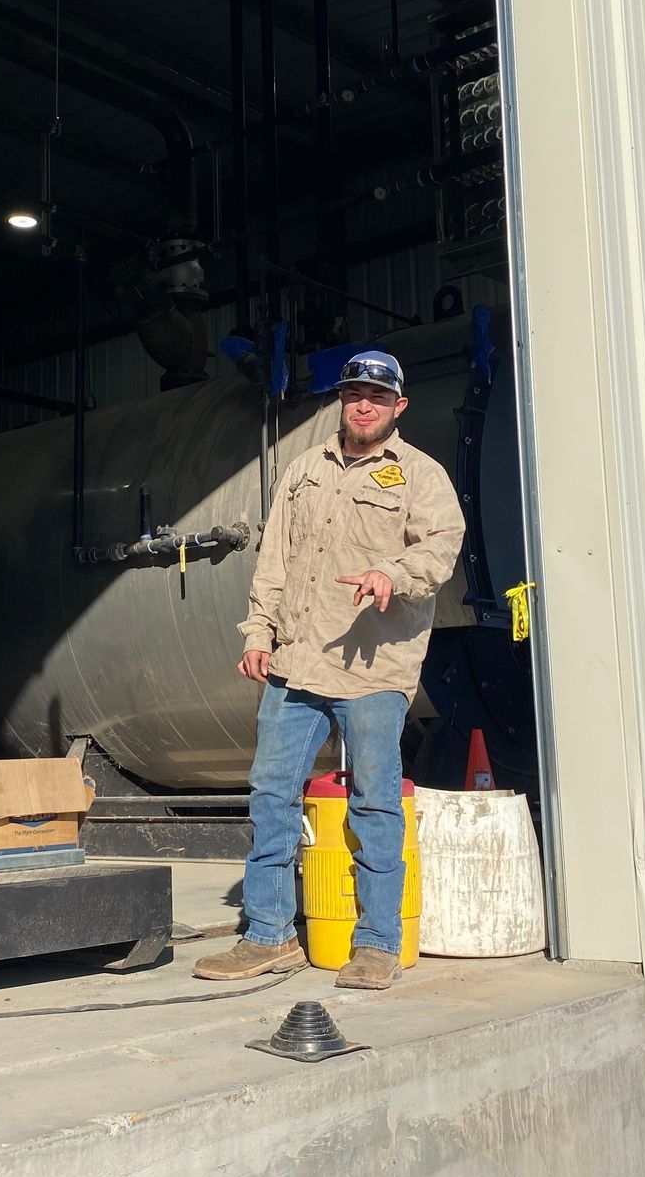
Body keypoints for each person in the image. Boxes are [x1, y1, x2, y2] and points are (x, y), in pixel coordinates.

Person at [193, 350, 466, 990]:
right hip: (296, 662)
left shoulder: (420, 477)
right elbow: (274, 559)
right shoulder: (303, 471)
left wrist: (390, 576)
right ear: (342, 401)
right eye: (353, 394)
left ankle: (375, 943)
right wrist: (259, 631)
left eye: (377, 395)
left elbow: (440, 550)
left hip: (373, 668)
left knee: (374, 805)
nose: (363, 404)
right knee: (271, 795)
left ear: (399, 406)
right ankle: (268, 936)